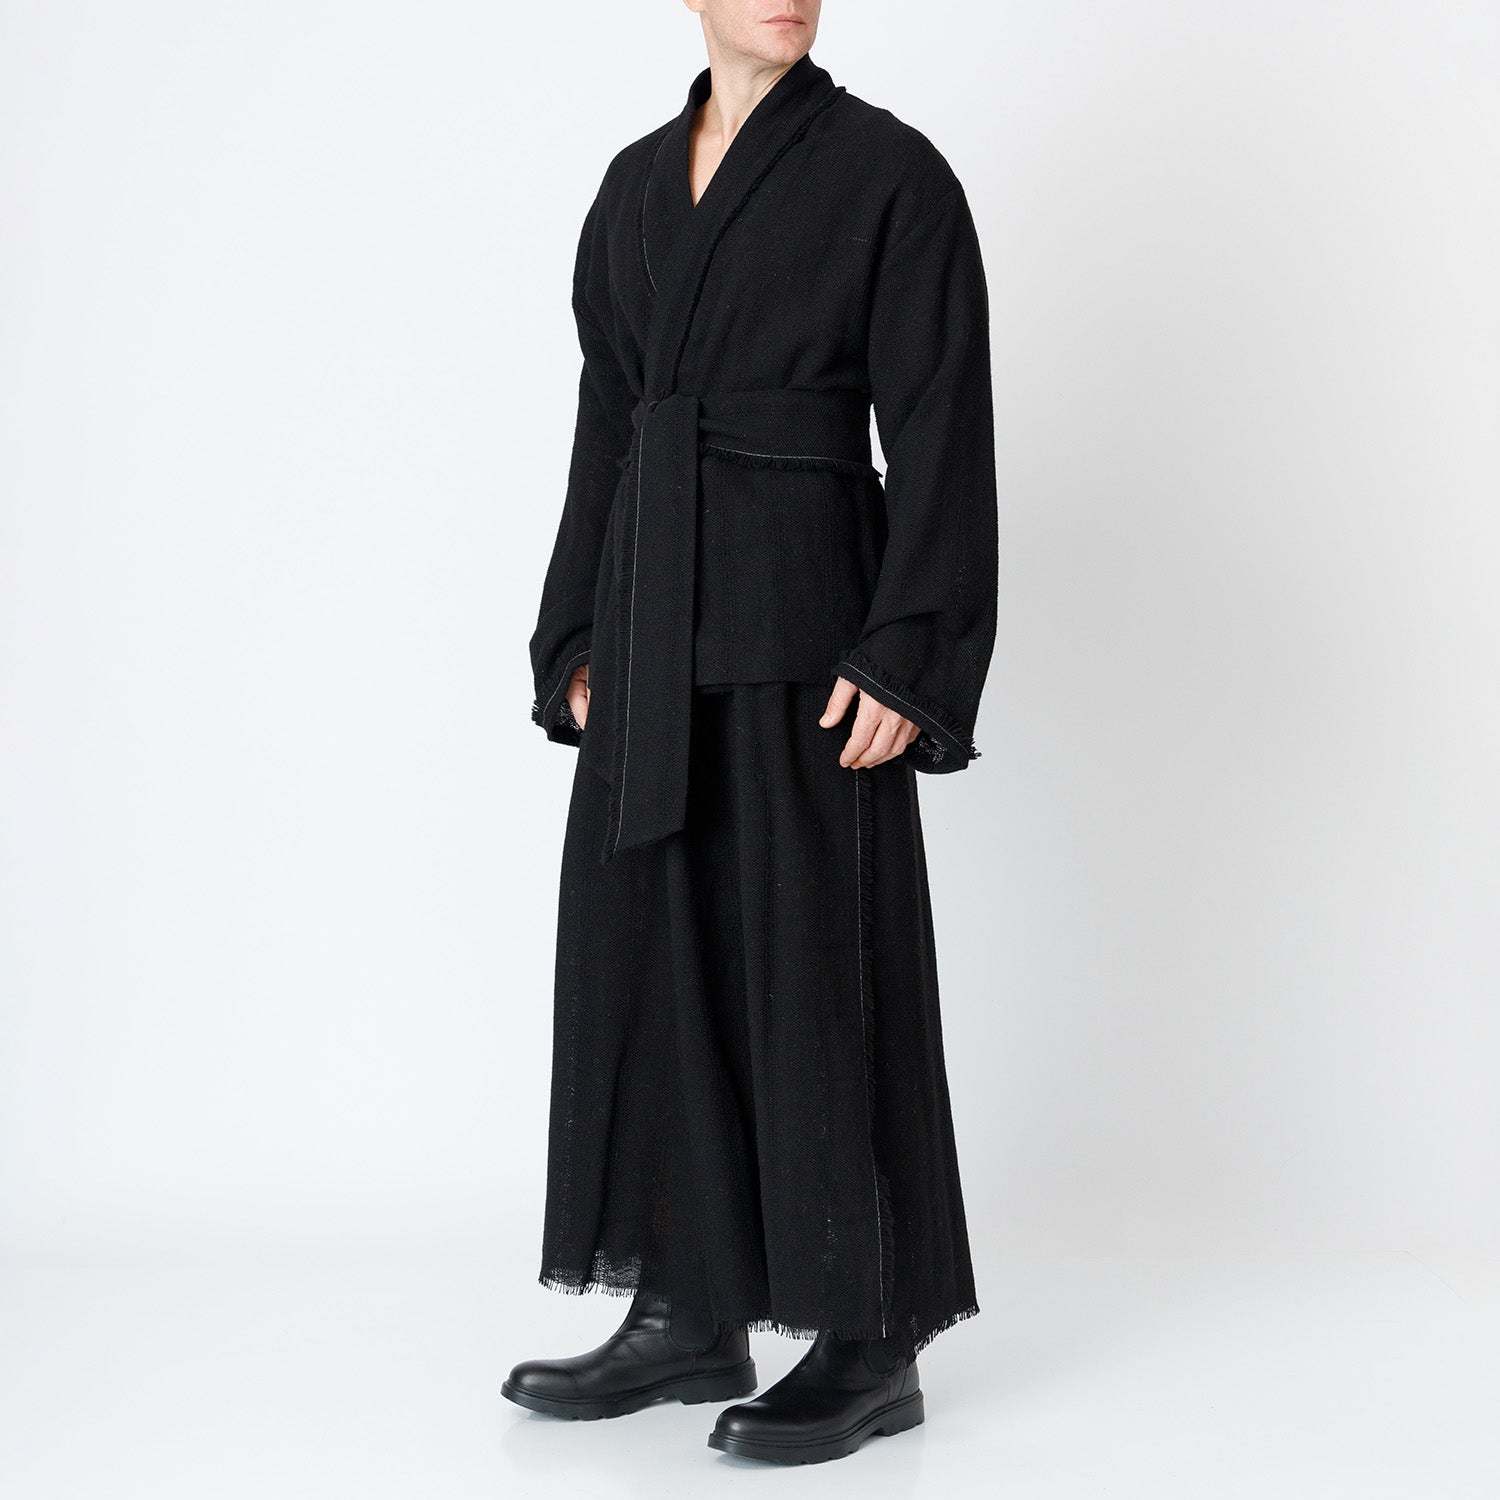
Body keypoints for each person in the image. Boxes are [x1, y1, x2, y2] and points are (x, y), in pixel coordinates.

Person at [507, 0, 998, 1465]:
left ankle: (871, 1337)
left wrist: (909, 650)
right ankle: (689, 1306)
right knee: (653, 956)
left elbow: (942, 421)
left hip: (808, 625)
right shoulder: (633, 187)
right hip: (652, 623)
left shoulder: (890, 173)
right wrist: (575, 633)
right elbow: (608, 423)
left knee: (815, 965)